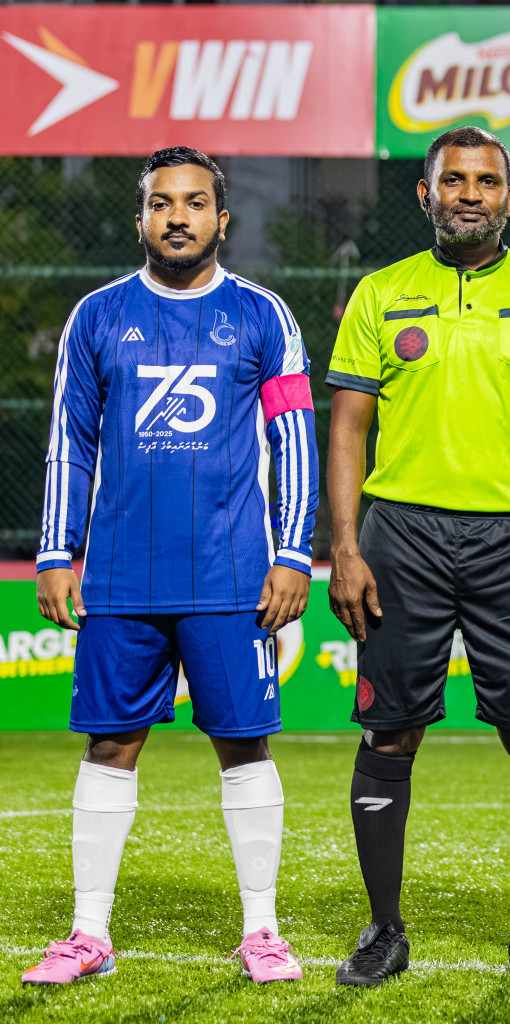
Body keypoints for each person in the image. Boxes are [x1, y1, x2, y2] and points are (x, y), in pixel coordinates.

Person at [24, 147, 316, 985]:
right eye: (161, 203)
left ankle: (262, 931)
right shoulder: (97, 316)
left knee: (245, 750)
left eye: (195, 203)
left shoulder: (263, 316)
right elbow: (68, 444)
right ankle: (88, 934)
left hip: (231, 577)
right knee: (109, 747)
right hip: (120, 578)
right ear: (141, 217)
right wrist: (56, 551)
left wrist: (292, 551)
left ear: (223, 219)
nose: (177, 216)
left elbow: (292, 440)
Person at [325, 126, 510, 986]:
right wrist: (344, 544)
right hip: (400, 534)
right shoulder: (380, 293)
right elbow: (346, 426)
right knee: (391, 731)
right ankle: (383, 931)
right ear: (427, 194)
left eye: (488, 181)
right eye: (455, 180)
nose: (471, 194)